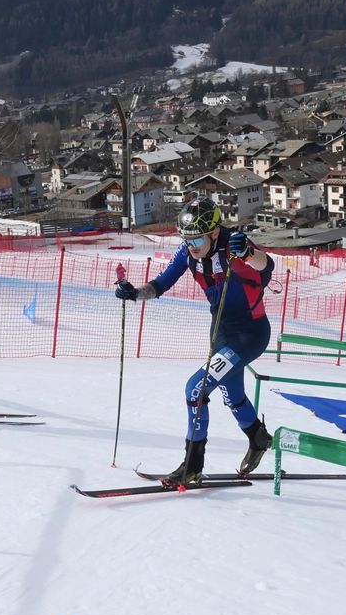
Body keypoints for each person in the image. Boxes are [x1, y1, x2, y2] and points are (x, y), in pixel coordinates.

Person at [115, 198, 276, 485]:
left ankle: (192, 464)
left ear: (214, 232)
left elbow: (266, 266)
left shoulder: (233, 247)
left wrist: (250, 252)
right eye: (186, 238)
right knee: (232, 395)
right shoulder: (189, 253)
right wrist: (135, 294)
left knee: (195, 389)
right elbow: (162, 283)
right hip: (221, 334)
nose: (191, 245)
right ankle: (258, 438)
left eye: (197, 238)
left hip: (249, 334)